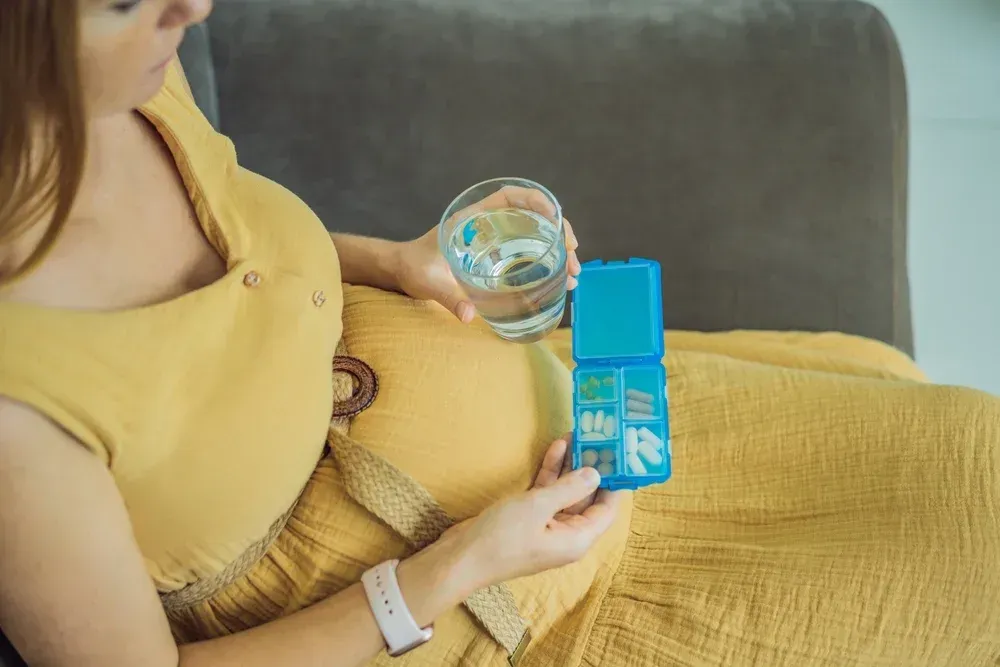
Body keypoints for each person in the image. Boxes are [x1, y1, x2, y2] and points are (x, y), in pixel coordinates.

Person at [1, 2, 999, 667]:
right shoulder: (15, 411)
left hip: (580, 406)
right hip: (519, 616)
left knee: (969, 455)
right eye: (123, 0)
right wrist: (458, 566)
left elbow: (238, 260)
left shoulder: (131, 81)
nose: (194, 7)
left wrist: (391, 261)